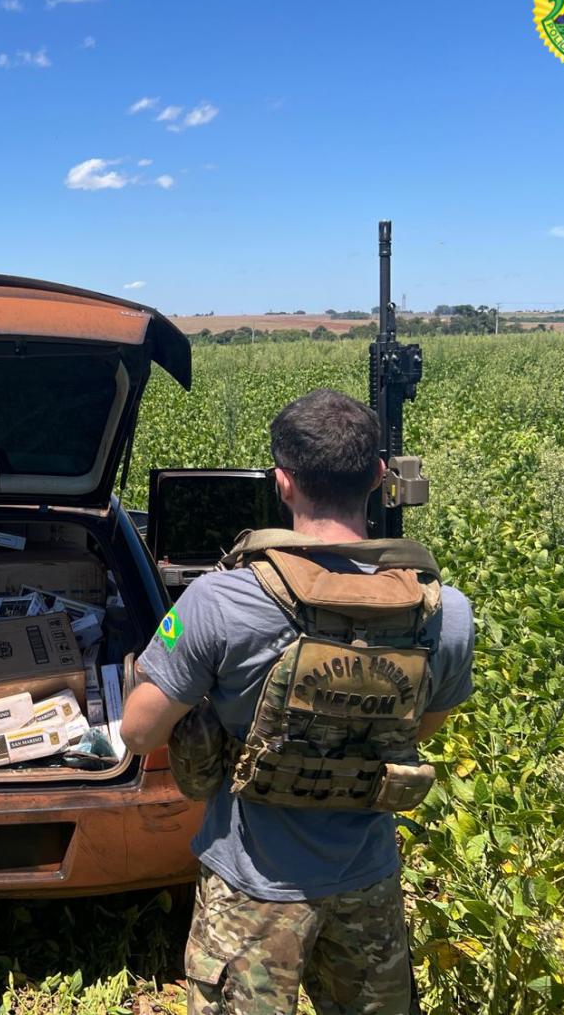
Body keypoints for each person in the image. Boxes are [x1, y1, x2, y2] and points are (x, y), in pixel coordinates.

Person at [122, 389, 474, 1015]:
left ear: (282, 483)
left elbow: (140, 733)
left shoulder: (218, 600)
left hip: (250, 892)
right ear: (378, 477)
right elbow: (424, 728)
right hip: (367, 879)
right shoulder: (443, 612)